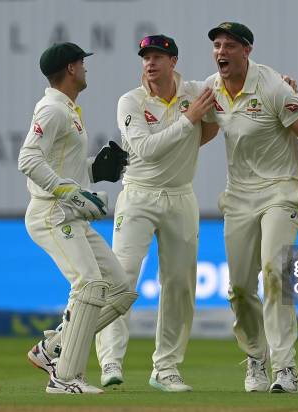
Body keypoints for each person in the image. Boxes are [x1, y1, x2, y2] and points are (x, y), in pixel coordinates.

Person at [202, 22, 298, 393]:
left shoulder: (274, 88)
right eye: (217, 45)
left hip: (281, 192)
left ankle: (285, 368)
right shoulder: (211, 89)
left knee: (275, 273)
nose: (221, 52)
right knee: (239, 289)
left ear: (247, 51)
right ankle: (255, 359)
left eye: (229, 45)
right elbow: (198, 126)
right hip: (238, 197)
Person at [94, 35, 216, 392]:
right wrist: (187, 122)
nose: (150, 62)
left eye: (158, 56)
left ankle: (166, 368)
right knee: (122, 278)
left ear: (173, 61)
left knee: (179, 284)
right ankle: (111, 359)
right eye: (146, 57)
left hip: (181, 196)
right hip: (138, 196)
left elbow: (218, 117)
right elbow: (144, 150)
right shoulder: (130, 101)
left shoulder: (196, 91)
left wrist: (284, 86)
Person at [18, 42, 137, 394]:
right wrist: (67, 191)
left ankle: (54, 348)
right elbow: (28, 159)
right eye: (82, 63)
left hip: (71, 213)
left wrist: (93, 171)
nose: (86, 68)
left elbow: (62, 168)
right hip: (52, 214)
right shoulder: (52, 110)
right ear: (71, 69)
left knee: (120, 291)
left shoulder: (68, 109)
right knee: (90, 285)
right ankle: (65, 377)